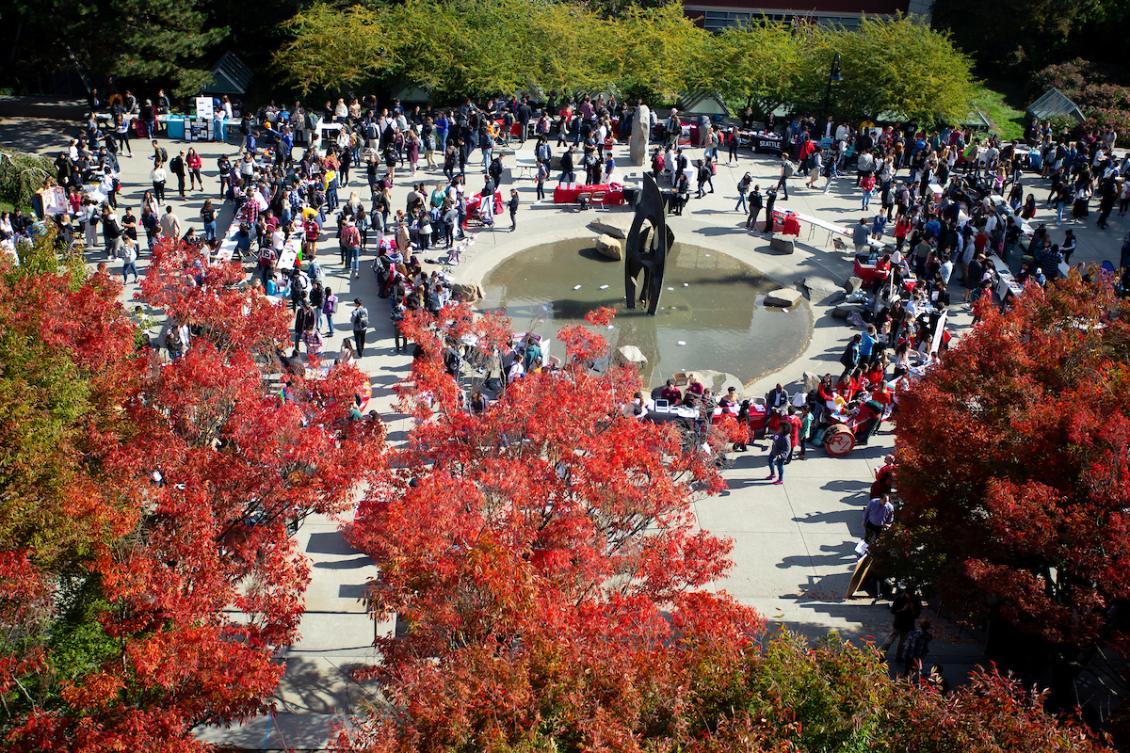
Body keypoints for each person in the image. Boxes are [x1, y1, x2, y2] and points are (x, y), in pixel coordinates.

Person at [881, 588, 922, 663]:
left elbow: (917, 614)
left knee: (902, 642)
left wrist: (912, 609)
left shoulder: (915, 600)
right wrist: (902, 609)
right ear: (905, 593)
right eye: (908, 595)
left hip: (908, 624)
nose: (909, 597)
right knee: (890, 639)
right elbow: (893, 611)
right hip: (899, 623)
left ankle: (898, 657)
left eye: (911, 595)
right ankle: (880, 655)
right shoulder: (899, 598)